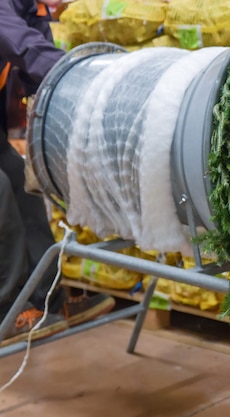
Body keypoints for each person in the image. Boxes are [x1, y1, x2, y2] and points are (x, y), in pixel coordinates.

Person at [0, 0, 115, 346]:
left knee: (21, 184)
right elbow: (25, 48)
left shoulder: (34, 12)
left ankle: (45, 301)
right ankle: (5, 312)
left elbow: (41, 76)